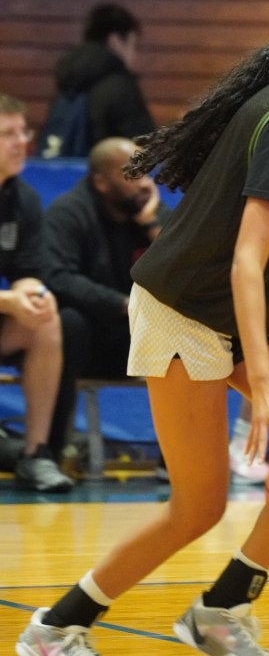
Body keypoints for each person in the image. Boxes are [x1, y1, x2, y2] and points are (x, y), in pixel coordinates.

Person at [16, 0, 269, 656]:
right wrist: (264, 379)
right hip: (184, 309)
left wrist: (266, 358)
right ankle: (56, 629)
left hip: (251, 314)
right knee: (198, 506)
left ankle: (221, 608)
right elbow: (246, 259)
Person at [43, 137, 171, 463]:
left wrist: (151, 225)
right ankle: (50, 451)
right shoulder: (69, 212)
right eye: (132, 174)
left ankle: (175, 458)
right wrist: (121, 304)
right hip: (87, 342)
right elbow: (58, 277)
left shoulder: (150, 212)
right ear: (101, 182)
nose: (144, 183)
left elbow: (183, 270)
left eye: (145, 173)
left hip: (136, 339)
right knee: (67, 323)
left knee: (184, 326)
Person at [0, 93, 73, 493]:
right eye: (7, 134)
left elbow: (27, 270)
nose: (20, 143)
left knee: (47, 321)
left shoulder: (22, 198)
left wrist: (32, 295)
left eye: (22, 132)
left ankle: (35, 454)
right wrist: (8, 301)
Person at [40, 3, 155, 154]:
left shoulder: (69, 78)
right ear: (115, 40)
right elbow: (144, 143)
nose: (134, 55)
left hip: (65, 165)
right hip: (107, 167)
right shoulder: (120, 85)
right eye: (133, 45)